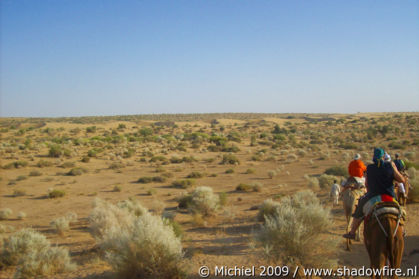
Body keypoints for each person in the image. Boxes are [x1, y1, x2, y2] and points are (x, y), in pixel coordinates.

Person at [343, 148, 405, 239]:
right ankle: (402, 230)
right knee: (400, 211)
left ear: (374, 157)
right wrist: (394, 169)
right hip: (389, 196)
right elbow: (401, 180)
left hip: (373, 196)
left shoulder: (370, 168)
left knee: (359, 210)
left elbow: (367, 184)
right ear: (383, 157)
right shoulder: (390, 166)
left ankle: (352, 232)